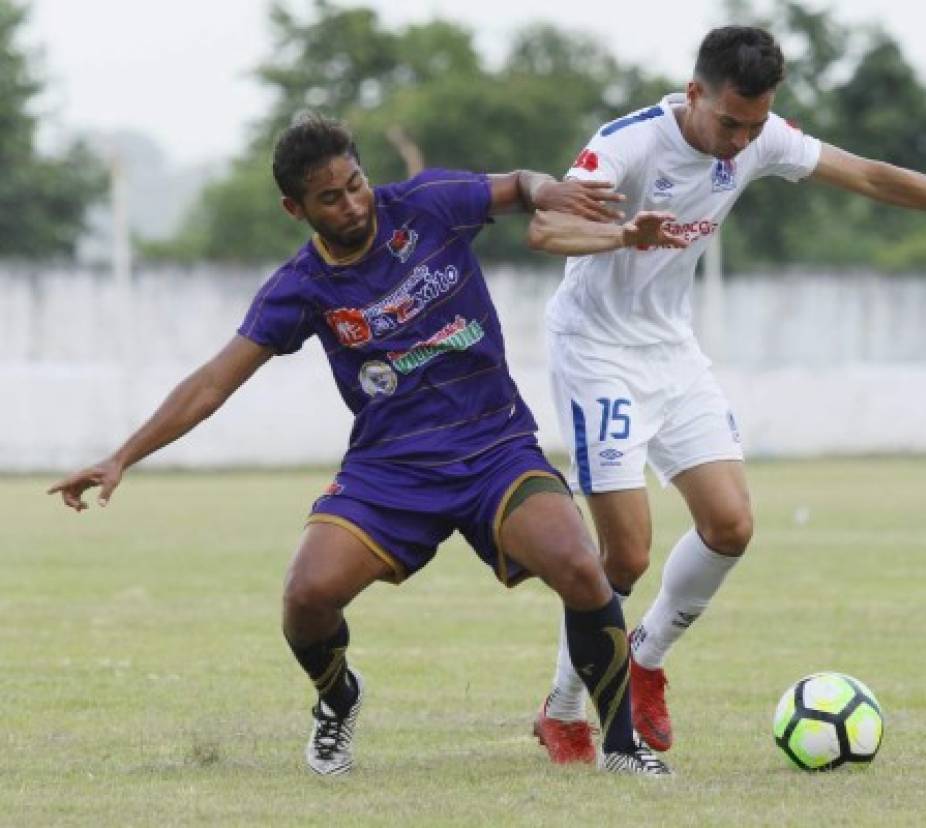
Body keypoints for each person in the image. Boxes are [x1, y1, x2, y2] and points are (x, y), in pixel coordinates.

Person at [47, 112, 686, 777]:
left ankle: (620, 748)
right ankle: (337, 700)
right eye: (330, 197)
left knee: (583, 567)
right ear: (295, 207)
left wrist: (545, 187)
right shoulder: (301, 287)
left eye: (356, 183)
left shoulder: (428, 204)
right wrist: (122, 454)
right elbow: (213, 381)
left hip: (494, 445)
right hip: (392, 468)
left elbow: (518, 186)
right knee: (306, 595)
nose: (353, 204)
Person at [528, 25, 926, 763]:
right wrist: (621, 236)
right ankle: (565, 705)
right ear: (694, 93)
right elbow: (546, 228)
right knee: (625, 557)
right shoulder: (628, 145)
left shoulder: (762, 140)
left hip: (670, 350)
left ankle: (646, 657)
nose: (740, 141)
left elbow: (869, 176)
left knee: (730, 526)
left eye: (754, 126)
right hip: (596, 352)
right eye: (729, 122)